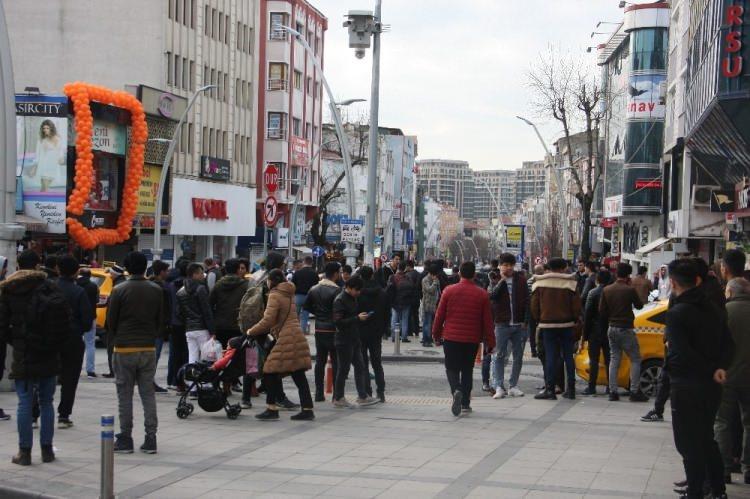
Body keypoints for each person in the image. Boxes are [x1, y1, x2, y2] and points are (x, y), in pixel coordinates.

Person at [665, 258, 732, 499]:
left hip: (686, 384)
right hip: (712, 385)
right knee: (706, 437)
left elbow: (683, 351)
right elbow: (728, 344)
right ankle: (717, 489)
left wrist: (709, 369)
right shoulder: (714, 308)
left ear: (673, 283)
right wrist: (720, 368)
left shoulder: (676, 314)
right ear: (697, 280)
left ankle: (695, 491)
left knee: (687, 443)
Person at [0, 250, 70, 465]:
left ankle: (25, 452)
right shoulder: (51, 287)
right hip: (48, 352)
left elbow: (2, 327)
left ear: (18, 266)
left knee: (24, 402)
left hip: (24, 353)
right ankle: (47, 450)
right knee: (47, 402)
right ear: (39, 266)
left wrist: (17, 340)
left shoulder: (9, 290)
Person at [107, 252, 164, 454]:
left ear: (128, 268)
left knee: (125, 395)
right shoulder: (156, 290)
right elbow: (160, 321)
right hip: (148, 348)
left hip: (124, 348)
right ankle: (151, 437)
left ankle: (125, 437)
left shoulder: (119, 290)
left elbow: (111, 322)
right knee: (147, 393)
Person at [246, 269, 314, 421]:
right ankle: (307, 409)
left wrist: (251, 331)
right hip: (296, 335)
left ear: (271, 281)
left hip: (286, 337)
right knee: (298, 373)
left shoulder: (275, 295)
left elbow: (268, 320)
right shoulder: (289, 293)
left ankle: (272, 409)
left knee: (270, 371)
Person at [432, 262, 495, 416]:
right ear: (474, 275)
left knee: (451, 368)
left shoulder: (449, 291)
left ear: (459, 273)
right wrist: (490, 342)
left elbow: (439, 316)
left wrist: (436, 334)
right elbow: (487, 321)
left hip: (451, 337)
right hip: (472, 339)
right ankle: (465, 403)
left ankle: (456, 390)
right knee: (467, 369)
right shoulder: (482, 294)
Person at [715, 250, 750, 485]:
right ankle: (748, 468)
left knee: (723, 422)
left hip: (725, 376)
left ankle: (724, 468)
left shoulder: (723, 312)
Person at [531, 257, 581, 400]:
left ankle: (550, 390)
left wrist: (539, 319)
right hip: (567, 325)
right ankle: (570, 389)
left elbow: (534, 306)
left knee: (551, 357)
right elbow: (577, 307)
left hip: (547, 325)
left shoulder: (540, 283)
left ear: (549, 267)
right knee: (568, 356)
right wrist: (574, 318)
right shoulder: (571, 283)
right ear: (564, 267)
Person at [599, 262, 648, 402]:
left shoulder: (607, 290)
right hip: (625, 328)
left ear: (616, 274)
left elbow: (602, 311)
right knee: (636, 359)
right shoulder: (629, 290)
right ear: (628, 276)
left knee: (614, 359)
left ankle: (612, 391)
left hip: (611, 327)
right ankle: (634, 391)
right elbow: (639, 306)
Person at [55, 255, 94, 429]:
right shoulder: (79, 292)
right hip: (72, 339)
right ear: (76, 271)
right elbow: (87, 322)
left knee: (43, 376)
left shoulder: (49, 288)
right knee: (70, 379)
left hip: (49, 338)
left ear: (58, 269)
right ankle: (64, 415)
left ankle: (34, 413)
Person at [332, 276, 378, 408]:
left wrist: (360, 317)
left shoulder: (353, 298)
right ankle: (338, 397)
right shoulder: (340, 300)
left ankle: (362, 396)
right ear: (349, 288)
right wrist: (357, 318)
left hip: (354, 337)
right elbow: (338, 322)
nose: (359, 293)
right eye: (357, 290)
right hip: (343, 340)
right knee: (343, 369)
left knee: (360, 366)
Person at [489, 253, 528, 399]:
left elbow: (527, 301)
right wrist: (502, 281)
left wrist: (525, 321)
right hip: (501, 324)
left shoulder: (521, 280)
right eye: (506, 265)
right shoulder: (494, 279)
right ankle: (498, 385)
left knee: (518, 357)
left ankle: (513, 385)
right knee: (499, 355)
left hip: (518, 324)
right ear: (500, 266)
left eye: (511, 265)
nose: (509, 268)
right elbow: (491, 296)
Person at [303, 262, 342, 402]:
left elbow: (306, 306)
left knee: (320, 361)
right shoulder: (337, 291)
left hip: (319, 328)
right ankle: (337, 394)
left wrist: (319, 314)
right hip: (333, 329)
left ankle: (319, 393)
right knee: (336, 361)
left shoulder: (314, 289)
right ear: (336, 274)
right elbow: (339, 311)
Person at [358, 266, 388, 402]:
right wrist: (384, 330)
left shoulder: (358, 293)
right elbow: (387, 313)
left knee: (362, 364)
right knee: (377, 363)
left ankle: (367, 392)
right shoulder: (382, 293)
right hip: (376, 332)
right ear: (372, 276)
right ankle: (381, 392)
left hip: (360, 332)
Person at [176, 263, 215, 366]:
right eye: (201, 273)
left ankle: (191, 380)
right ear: (194, 274)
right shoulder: (200, 289)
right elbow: (206, 311)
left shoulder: (180, 291)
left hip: (189, 329)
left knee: (192, 357)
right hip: (202, 328)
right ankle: (205, 382)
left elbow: (179, 312)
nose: (203, 275)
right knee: (206, 358)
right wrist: (212, 330)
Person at [581, 270, 612, 396]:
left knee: (593, 359)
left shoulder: (592, 293)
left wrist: (585, 334)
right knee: (610, 359)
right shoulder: (611, 292)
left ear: (597, 280)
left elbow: (587, 315)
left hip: (594, 330)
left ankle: (591, 386)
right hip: (609, 329)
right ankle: (610, 386)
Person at [149, 261, 172, 394]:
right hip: (157, 327)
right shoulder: (161, 288)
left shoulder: (150, 285)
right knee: (154, 355)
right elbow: (164, 309)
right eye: (166, 270)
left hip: (150, 326)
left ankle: (148, 380)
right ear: (161, 272)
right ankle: (149, 381)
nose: (168, 273)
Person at [102, 264, 127, 378]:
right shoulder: (123, 284)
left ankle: (114, 371)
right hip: (123, 324)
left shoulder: (117, 287)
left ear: (115, 274)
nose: (110, 276)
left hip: (115, 325)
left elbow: (112, 308)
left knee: (112, 349)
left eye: (111, 273)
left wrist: (110, 325)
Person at [386, 262, 417, 343]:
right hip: (406, 302)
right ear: (405, 268)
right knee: (405, 319)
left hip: (395, 302)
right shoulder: (408, 278)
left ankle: (394, 337)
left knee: (394, 319)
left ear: (398, 267)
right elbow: (413, 289)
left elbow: (388, 289)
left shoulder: (392, 277)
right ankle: (404, 337)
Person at [77, 268, 99, 378]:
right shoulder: (93, 286)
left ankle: (76, 368)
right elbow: (97, 300)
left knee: (76, 343)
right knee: (90, 344)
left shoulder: (75, 284)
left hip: (76, 318)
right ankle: (90, 370)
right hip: (90, 317)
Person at [291, 256, 319, 335]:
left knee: (296, 316)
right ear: (312, 263)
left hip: (298, 296)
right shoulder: (314, 273)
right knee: (305, 316)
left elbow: (292, 285)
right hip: (309, 297)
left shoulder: (298, 272)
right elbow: (316, 286)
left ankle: (294, 332)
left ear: (304, 262)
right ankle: (302, 332)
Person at [421, 263, 442, 347]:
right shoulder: (425, 280)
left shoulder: (435, 279)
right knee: (427, 323)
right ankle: (426, 340)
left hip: (434, 304)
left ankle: (427, 338)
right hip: (428, 304)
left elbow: (438, 291)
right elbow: (430, 290)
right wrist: (435, 282)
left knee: (430, 322)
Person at [526, 264, 545, 358]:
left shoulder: (529, 282)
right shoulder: (545, 282)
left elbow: (527, 297)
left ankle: (534, 350)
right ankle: (539, 349)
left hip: (531, 310)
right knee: (540, 330)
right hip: (542, 310)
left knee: (532, 331)